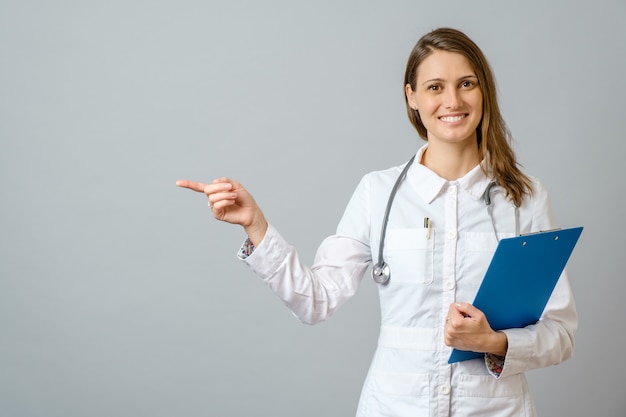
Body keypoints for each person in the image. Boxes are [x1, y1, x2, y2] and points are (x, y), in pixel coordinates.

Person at [176, 27, 577, 417]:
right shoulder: (378, 192)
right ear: (413, 97)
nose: (452, 100)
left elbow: (560, 334)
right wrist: (257, 227)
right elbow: (316, 301)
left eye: (467, 84)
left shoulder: (524, 196)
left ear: (484, 91)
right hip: (395, 406)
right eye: (435, 86)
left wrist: (494, 341)